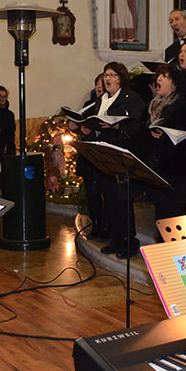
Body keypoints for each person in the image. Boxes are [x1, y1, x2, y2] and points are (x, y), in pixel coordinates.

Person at [68, 62, 145, 257]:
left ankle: (128, 242)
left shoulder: (131, 99)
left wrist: (116, 127)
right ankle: (115, 240)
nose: (107, 78)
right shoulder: (102, 99)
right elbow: (93, 121)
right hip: (102, 157)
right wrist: (81, 127)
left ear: (121, 78)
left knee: (121, 202)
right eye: (105, 74)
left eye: (112, 74)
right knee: (109, 202)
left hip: (120, 155)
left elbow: (135, 127)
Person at [145, 64, 186, 220]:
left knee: (174, 219)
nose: (159, 79)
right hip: (159, 170)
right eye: (158, 75)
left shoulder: (185, 106)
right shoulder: (155, 105)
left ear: (175, 83)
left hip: (178, 173)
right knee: (160, 216)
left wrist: (164, 135)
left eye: (165, 76)